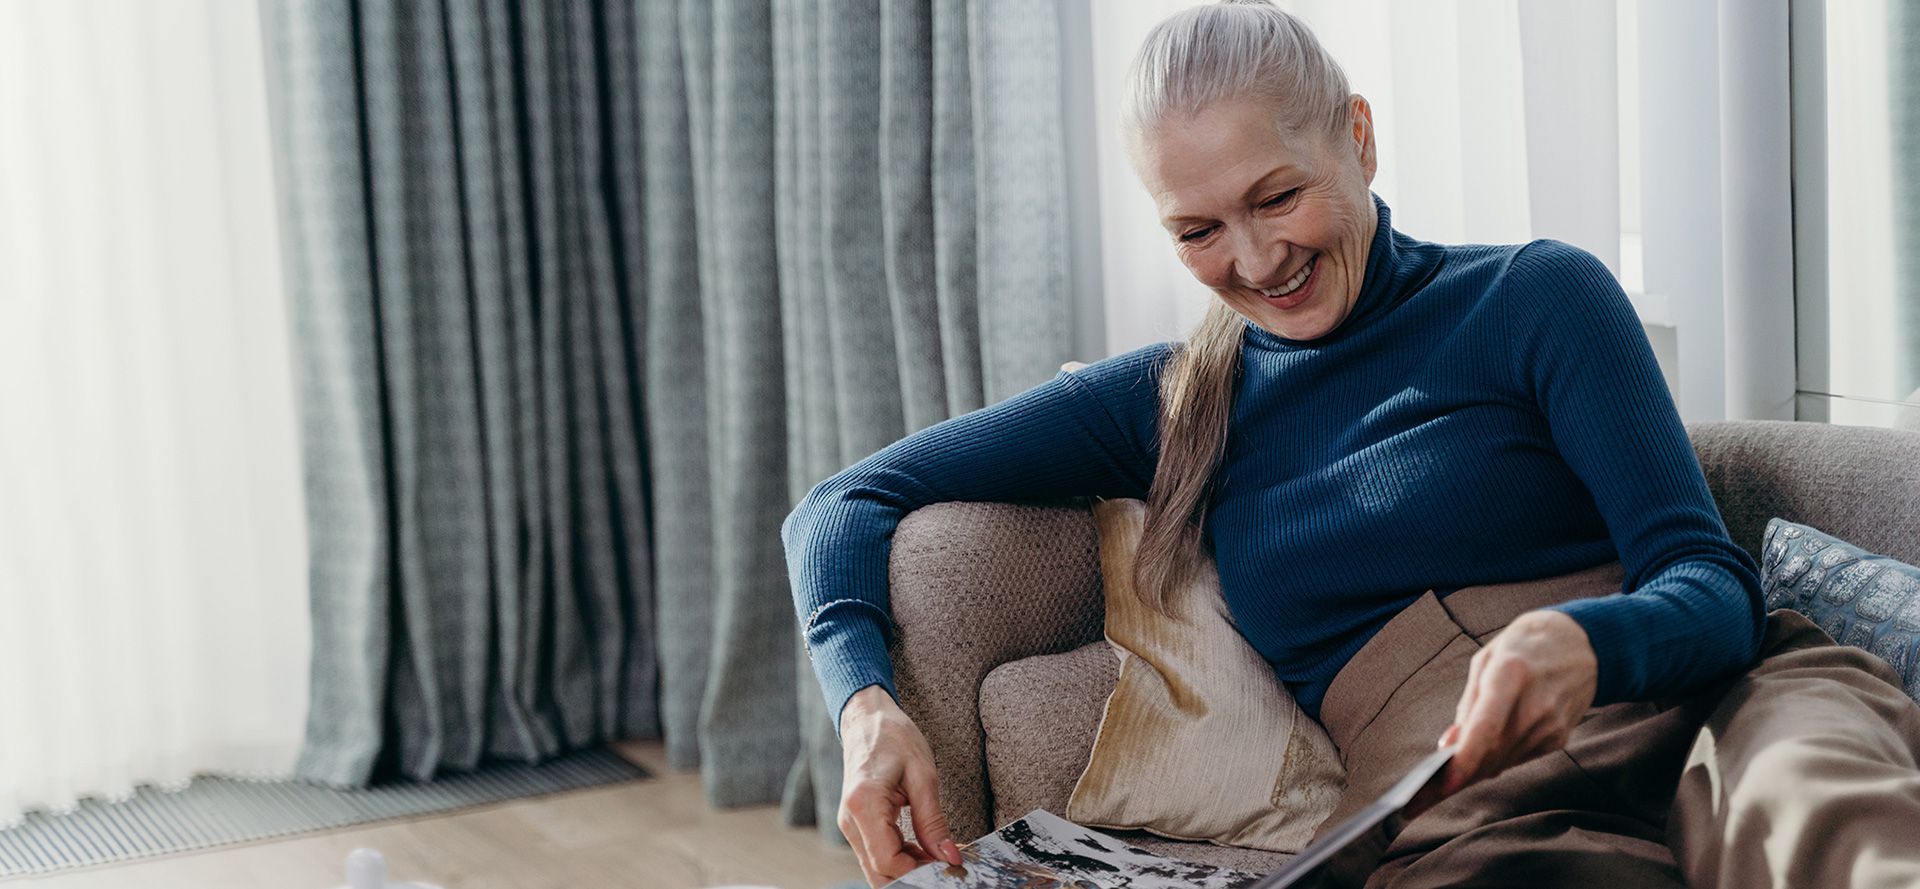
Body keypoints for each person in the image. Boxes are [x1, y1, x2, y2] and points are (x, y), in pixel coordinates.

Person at [781, 2, 1920, 886]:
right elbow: (843, 502)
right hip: (1466, 799)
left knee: (1839, 836)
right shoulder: (1177, 401)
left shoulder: (1533, 296)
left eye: (1277, 195)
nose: (1254, 258)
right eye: (1198, 230)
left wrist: (1587, 643)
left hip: (1721, 695)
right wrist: (868, 709)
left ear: (1359, 140)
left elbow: (1710, 584)